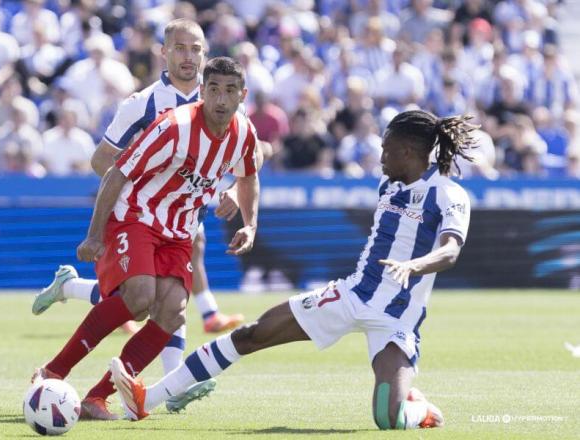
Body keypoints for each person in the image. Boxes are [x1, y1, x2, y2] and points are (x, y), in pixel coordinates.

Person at [111, 110, 475, 431]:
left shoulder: (448, 195)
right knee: (253, 334)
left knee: (388, 418)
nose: (379, 156)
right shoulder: (388, 183)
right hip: (353, 295)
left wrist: (414, 265)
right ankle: (148, 398)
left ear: (408, 152)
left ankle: (421, 408)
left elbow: (450, 250)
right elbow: (257, 157)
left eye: (386, 149)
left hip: (397, 319)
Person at [32, 56, 260, 422]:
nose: (221, 99)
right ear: (201, 92)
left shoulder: (244, 134)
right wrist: (94, 236)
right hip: (136, 215)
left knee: (171, 312)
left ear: (242, 95)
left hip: (179, 231)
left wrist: (250, 223)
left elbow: (249, 175)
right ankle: (53, 371)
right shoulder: (174, 127)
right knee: (139, 298)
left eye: (230, 91)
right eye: (214, 89)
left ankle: (96, 398)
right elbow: (116, 174)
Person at [33, 18, 246, 337]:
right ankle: (187, 350)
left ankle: (73, 288)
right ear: (163, 52)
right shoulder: (143, 103)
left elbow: (246, 152)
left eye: (195, 50)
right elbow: (101, 159)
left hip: (186, 212)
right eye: (179, 49)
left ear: (205, 54)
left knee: (163, 296)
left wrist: (236, 186)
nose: (188, 57)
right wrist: (145, 191)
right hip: (146, 215)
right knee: (150, 298)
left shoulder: (219, 99)